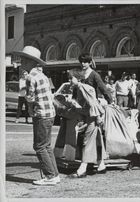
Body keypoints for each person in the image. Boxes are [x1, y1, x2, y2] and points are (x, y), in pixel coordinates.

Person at [13, 46, 60, 185]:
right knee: (46, 146)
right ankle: (54, 174)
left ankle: (50, 176)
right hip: (50, 114)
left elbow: (30, 98)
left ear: (29, 61)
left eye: (23, 60)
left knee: (39, 146)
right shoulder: (42, 75)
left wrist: (30, 108)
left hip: (40, 114)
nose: (21, 63)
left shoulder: (30, 77)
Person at [67, 69, 107, 178]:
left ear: (78, 78)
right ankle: (101, 165)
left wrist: (97, 117)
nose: (69, 80)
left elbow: (93, 104)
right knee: (97, 141)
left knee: (87, 141)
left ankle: (82, 169)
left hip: (94, 118)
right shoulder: (80, 88)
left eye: (71, 78)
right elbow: (86, 106)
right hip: (93, 117)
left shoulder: (85, 88)